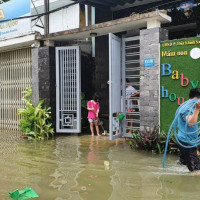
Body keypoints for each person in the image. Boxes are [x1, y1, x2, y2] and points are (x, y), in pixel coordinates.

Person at [177, 88, 200, 171]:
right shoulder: (186, 109)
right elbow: (190, 123)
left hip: (186, 140)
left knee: (183, 164)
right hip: (187, 142)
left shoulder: (189, 106)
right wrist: (197, 109)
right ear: (195, 98)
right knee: (195, 169)